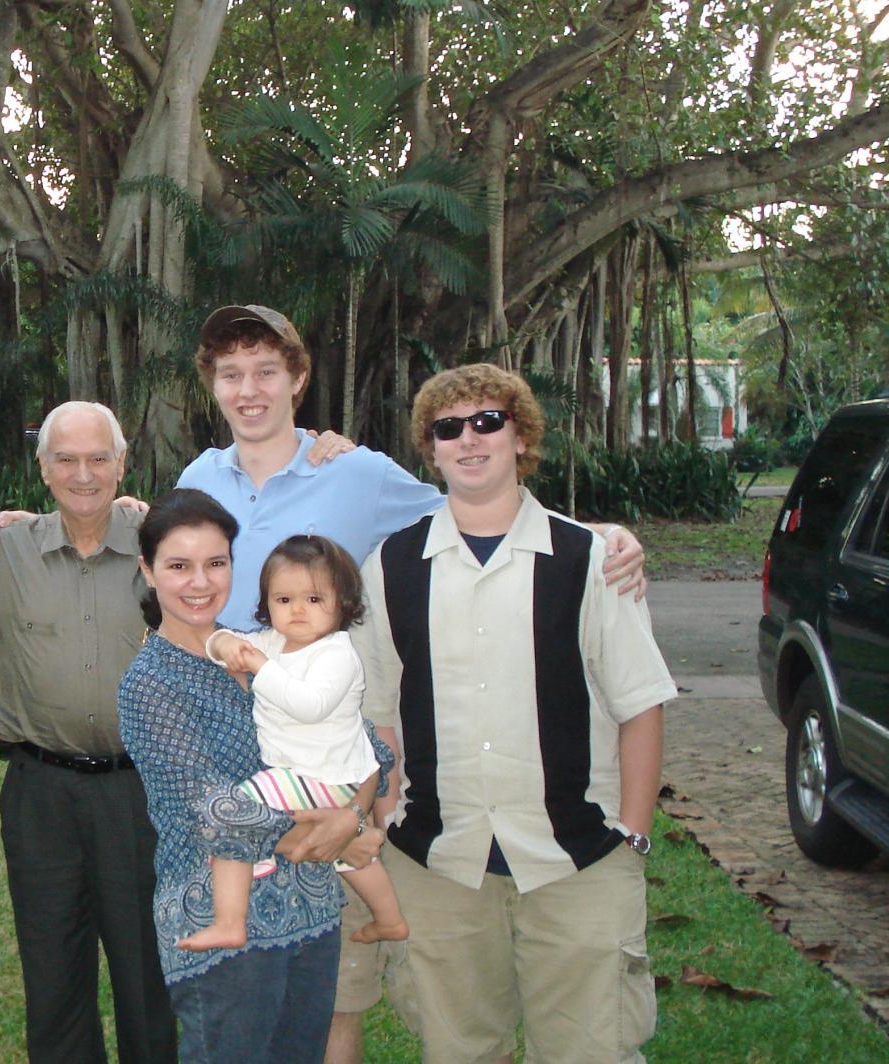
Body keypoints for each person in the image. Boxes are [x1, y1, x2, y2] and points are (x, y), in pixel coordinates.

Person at [175, 304, 648, 1064]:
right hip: (225, 759)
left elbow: (480, 509)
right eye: (231, 375)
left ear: (299, 378)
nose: (249, 390)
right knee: (229, 979)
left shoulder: (356, 472)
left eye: (267, 371)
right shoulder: (200, 475)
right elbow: (167, 567)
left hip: (323, 762)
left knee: (334, 988)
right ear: (213, 386)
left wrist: (604, 537)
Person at [355, 364, 675, 1063]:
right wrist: (385, 817)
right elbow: (381, 714)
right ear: (430, 448)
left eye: (487, 422)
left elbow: (640, 705)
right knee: (461, 1049)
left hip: (577, 859)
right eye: (449, 428)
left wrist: (636, 835)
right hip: (440, 860)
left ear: (520, 436)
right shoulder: (392, 566)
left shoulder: (591, 558)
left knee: (589, 1050)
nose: (469, 439)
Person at [118, 489, 377, 1063]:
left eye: (216, 562)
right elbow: (212, 807)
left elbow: (366, 741)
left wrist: (355, 816)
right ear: (148, 570)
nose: (200, 582)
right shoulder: (151, 682)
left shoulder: (271, 649)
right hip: (218, 925)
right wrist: (336, 829)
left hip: (310, 910)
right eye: (179, 566)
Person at [0, 401, 177, 1063]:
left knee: (149, 973)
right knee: (52, 973)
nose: (84, 473)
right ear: (43, 469)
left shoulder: (160, 546)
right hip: (39, 793)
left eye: (98, 457)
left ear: (121, 464)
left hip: (140, 794)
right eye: (67, 459)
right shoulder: (5, 550)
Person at [185, 534, 406, 953]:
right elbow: (218, 643)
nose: (298, 610)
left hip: (326, 773)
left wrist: (260, 668)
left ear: (342, 602)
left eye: (313, 599)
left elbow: (309, 706)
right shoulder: (271, 643)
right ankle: (390, 919)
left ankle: (230, 917)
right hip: (312, 772)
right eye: (283, 600)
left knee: (239, 810)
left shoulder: (336, 653)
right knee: (347, 855)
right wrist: (225, 644)